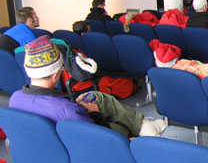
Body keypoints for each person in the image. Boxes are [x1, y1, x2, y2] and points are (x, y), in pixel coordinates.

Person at [9, 36, 166, 138]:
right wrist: (94, 113)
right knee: (120, 126)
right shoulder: (66, 110)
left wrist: (77, 104)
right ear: (57, 73)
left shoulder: (15, 99)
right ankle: (143, 129)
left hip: (55, 138)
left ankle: (143, 125)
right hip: (91, 141)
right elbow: (96, 137)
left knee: (97, 96)